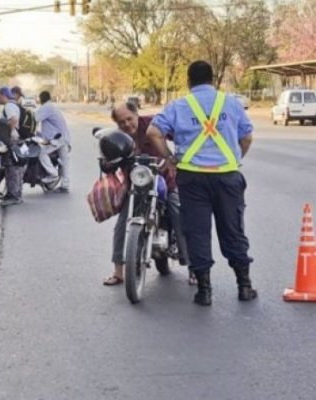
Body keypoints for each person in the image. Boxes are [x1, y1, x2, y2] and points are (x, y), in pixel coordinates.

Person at [147, 60, 257, 306]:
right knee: (232, 229)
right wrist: (233, 159)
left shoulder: (179, 105)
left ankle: (204, 291)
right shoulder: (231, 103)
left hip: (192, 178)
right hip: (227, 176)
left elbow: (153, 133)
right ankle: (244, 286)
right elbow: (247, 137)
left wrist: (169, 158)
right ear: (213, 79)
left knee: (196, 232)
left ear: (188, 81)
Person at [103, 102, 190, 286]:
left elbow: (181, 138)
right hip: (137, 186)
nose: (127, 124)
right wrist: (107, 161)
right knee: (121, 224)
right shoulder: (119, 137)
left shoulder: (154, 124)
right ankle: (118, 271)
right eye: (121, 122)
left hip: (165, 181)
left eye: (129, 119)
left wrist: (172, 158)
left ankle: (192, 266)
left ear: (136, 114)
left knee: (178, 212)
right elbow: (111, 160)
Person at [35, 91, 71, 193]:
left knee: (42, 153)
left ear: (41, 98)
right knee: (64, 162)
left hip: (57, 139)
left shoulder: (46, 107)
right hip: (63, 137)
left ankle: (53, 174)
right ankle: (65, 185)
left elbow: (35, 118)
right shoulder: (52, 106)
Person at [0, 86, 23, 206]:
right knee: (11, 168)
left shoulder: (9, 106)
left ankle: (14, 195)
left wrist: (7, 135)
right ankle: (13, 193)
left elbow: (13, 120)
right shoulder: (13, 105)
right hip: (14, 140)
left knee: (11, 169)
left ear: (2, 95)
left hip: (11, 140)